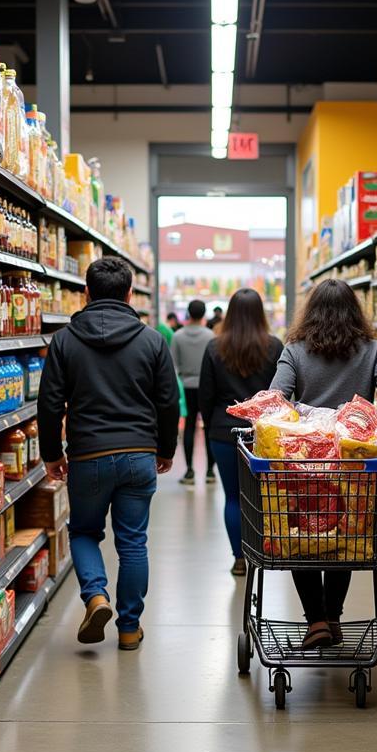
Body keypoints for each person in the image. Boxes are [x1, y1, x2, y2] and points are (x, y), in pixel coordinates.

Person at [37, 256, 180, 651]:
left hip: (88, 455)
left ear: (86, 293)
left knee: (84, 531)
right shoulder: (152, 340)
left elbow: (49, 404)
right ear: (130, 293)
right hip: (138, 454)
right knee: (133, 542)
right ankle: (130, 628)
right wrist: (165, 449)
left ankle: (96, 596)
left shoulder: (64, 341)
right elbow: (168, 402)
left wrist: (51, 452)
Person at [270, 278, 377, 650]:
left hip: (305, 465)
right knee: (346, 535)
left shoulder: (296, 350)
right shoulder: (371, 350)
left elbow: (275, 399)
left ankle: (315, 619)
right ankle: (332, 616)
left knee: (299, 535)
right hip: (354, 464)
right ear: (355, 312)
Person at [198, 288, 283, 577]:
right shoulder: (274, 347)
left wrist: (211, 429)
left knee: (232, 498)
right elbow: (283, 394)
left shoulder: (214, 348)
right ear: (261, 314)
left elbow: (205, 396)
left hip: (224, 432)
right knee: (262, 497)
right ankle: (260, 551)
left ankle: (239, 558)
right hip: (265, 434)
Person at [170, 299, 216, 485]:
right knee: (208, 428)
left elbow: (173, 365)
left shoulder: (178, 336)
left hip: (186, 386)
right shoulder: (210, 336)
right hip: (207, 387)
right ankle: (210, 472)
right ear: (204, 314)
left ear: (188, 313)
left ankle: (189, 471)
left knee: (189, 427)